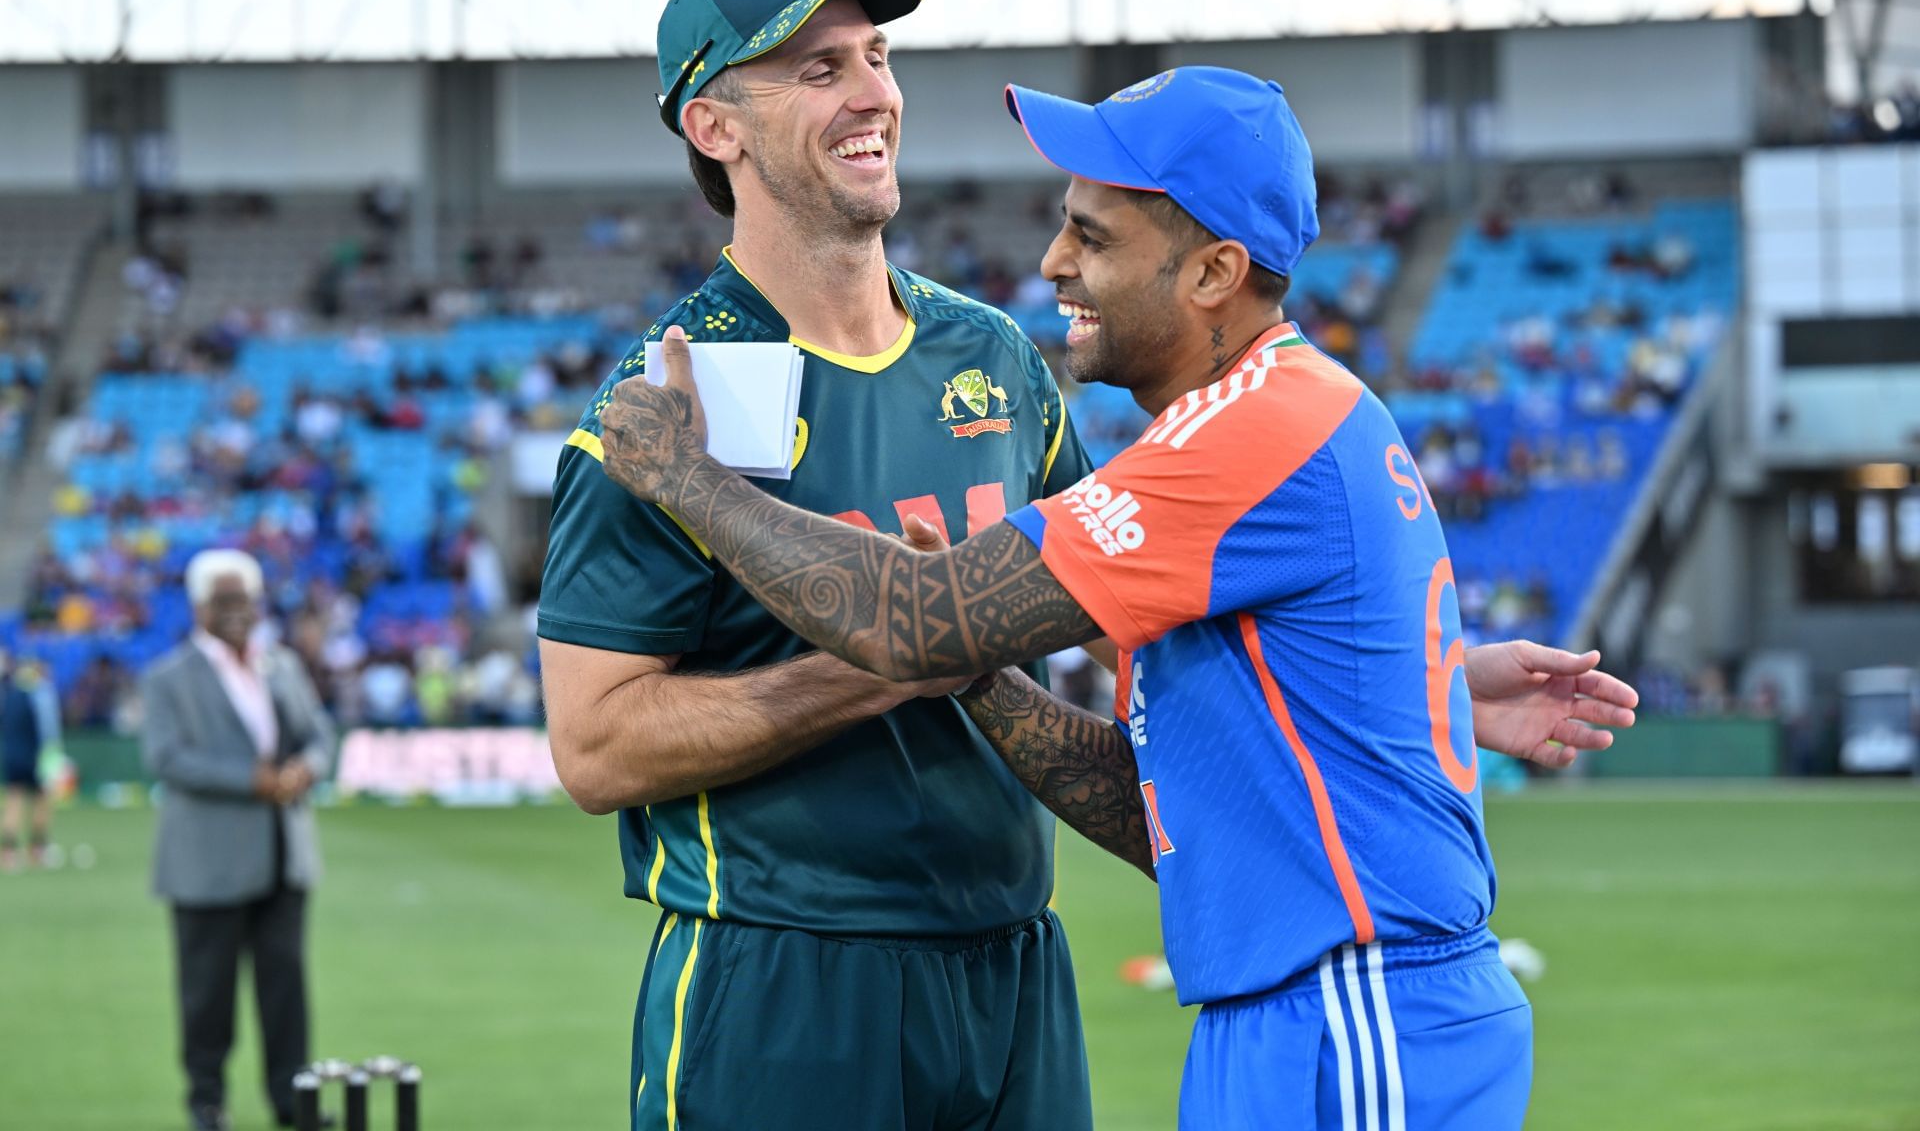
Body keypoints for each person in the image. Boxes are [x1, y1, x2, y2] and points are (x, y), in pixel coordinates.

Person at [592, 65, 1641, 1129]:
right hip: (1294, 1011)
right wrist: (981, 677)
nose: (1053, 263)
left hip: (1355, 1014)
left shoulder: (1248, 437)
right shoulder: (1272, 418)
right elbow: (1159, 803)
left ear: (1213, 272)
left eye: (1094, 238)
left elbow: (909, 621)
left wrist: (688, 479)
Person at [537, 0, 1106, 1131]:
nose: (873, 94)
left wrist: (1420, 688)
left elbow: (1127, 609)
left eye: (877, 55)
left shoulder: (996, 356)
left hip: (1015, 960)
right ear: (714, 126)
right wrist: (887, 657)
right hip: (786, 977)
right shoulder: (653, 416)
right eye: (814, 68)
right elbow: (596, 749)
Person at [141, 549, 336, 1131]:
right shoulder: (168, 677)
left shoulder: (281, 664)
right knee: (206, 995)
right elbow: (167, 758)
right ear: (199, 607)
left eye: (244, 600)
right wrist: (252, 781)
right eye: (223, 601)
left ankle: (291, 1101)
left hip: (284, 856)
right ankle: (206, 1102)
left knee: (286, 991)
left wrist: (305, 768)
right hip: (206, 861)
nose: (236, 612)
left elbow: (319, 734)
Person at [0, 650, 59, 869]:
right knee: (42, 801)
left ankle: (8, 853)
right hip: (37, 756)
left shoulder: (9, 693)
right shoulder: (41, 694)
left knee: (13, 800)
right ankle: (38, 850)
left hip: (11, 755)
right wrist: (52, 759)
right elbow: (48, 732)